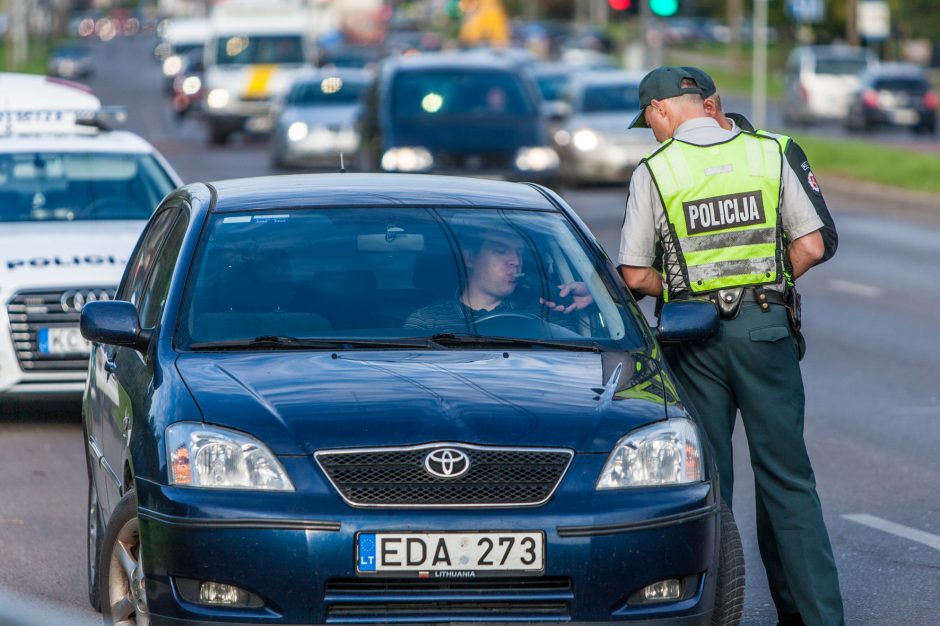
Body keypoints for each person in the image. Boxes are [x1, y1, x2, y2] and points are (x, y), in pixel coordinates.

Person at [618, 66, 844, 626]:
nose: (650, 131)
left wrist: (690, 291)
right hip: (766, 329)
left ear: (661, 110)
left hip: (695, 341)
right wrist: (762, 288)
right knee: (789, 481)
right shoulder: (772, 150)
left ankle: (715, 613)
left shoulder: (656, 170)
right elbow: (813, 245)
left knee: (709, 486)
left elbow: (632, 274)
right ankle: (816, 617)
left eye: (647, 120)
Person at [681, 66, 838, 265]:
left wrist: (771, 282)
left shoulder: (779, 149)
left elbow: (822, 239)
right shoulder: (670, 165)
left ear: (709, 108)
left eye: (678, 121)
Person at [404, 226, 591, 333]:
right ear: (469, 258)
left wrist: (596, 295)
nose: (516, 261)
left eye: (520, 253)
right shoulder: (426, 322)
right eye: (501, 251)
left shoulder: (546, 316)